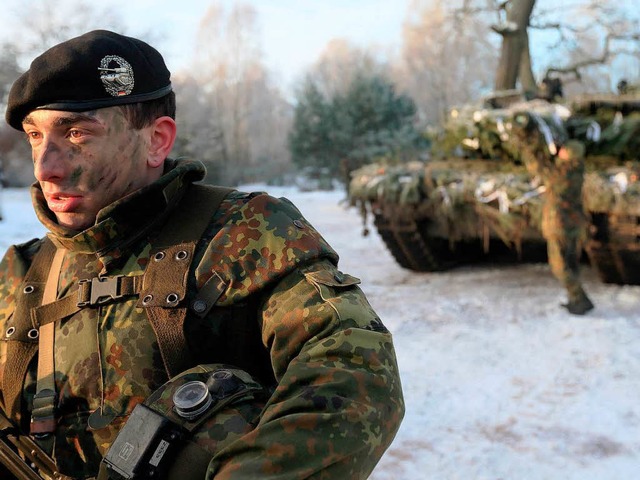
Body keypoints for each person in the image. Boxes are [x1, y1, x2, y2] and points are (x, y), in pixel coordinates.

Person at [0, 30, 404, 479]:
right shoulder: (22, 272)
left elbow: (355, 373)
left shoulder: (245, 233)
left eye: (76, 134)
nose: (45, 168)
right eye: (35, 136)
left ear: (156, 140)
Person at [509, 111, 594, 315]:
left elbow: (538, 167)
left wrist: (528, 142)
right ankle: (576, 298)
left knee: (559, 266)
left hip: (560, 226)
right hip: (570, 226)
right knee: (570, 264)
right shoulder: (573, 171)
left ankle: (580, 299)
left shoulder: (562, 176)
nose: (560, 151)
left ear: (569, 156)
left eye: (564, 150)